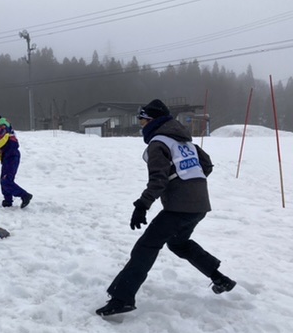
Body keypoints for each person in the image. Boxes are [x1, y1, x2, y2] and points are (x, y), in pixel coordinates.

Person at [96, 99, 236, 317]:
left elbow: (158, 180)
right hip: (199, 205)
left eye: (142, 120)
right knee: (178, 243)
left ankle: (121, 299)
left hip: (179, 207)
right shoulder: (185, 142)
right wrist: (192, 185)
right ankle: (220, 279)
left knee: (146, 247)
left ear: (152, 121)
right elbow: (206, 165)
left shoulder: (158, 143)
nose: (141, 125)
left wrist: (142, 205)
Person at [0, 112, 33, 208]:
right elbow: (3, 149)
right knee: (3, 180)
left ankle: (25, 196)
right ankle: (8, 200)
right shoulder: (0, 129)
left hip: (12, 156)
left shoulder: (2, 125)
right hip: (7, 156)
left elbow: (4, 138)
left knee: (6, 181)